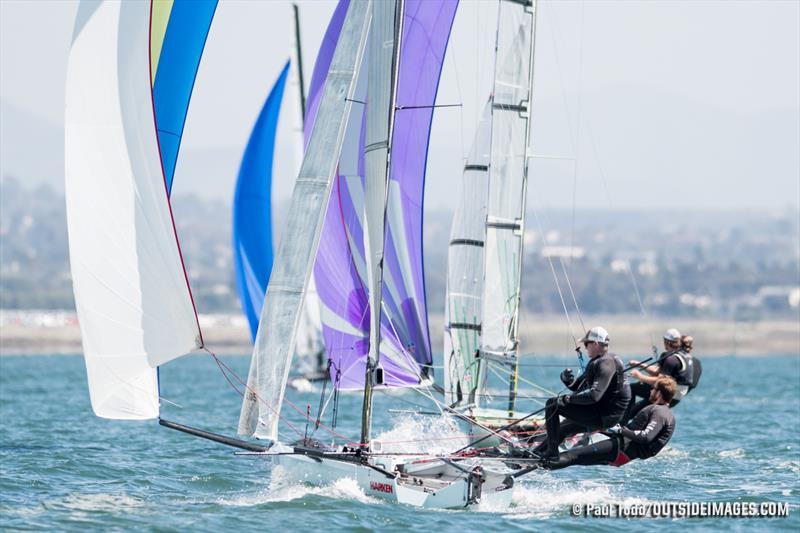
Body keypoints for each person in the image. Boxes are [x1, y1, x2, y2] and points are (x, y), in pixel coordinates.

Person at [533, 326, 631, 459]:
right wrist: (567, 380)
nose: (585, 347)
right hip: (600, 410)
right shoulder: (598, 361)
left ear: (595, 344)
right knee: (564, 427)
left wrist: (568, 399)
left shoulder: (605, 363)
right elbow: (577, 387)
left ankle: (552, 453)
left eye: (586, 344)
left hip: (606, 415)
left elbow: (594, 395)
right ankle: (538, 452)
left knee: (552, 405)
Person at [541, 375, 677, 470]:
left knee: (572, 456)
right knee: (570, 431)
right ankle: (541, 455)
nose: (651, 390)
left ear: (659, 393)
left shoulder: (660, 412)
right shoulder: (662, 412)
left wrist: (620, 430)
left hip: (620, 449)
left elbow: (646, 437)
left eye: (653, 388)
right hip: (621, 450)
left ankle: (541, 463)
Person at [626, 328, 701, 420]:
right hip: (676, 397)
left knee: (631, 390)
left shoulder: (671, 359)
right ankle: (627, 424)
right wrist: (639, 365)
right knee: (639, 411)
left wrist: (639, 376)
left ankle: (621, 425)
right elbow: (659, 372)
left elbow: (660, 381)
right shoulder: (681, 356)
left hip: (665, 394)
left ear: (667, 342)